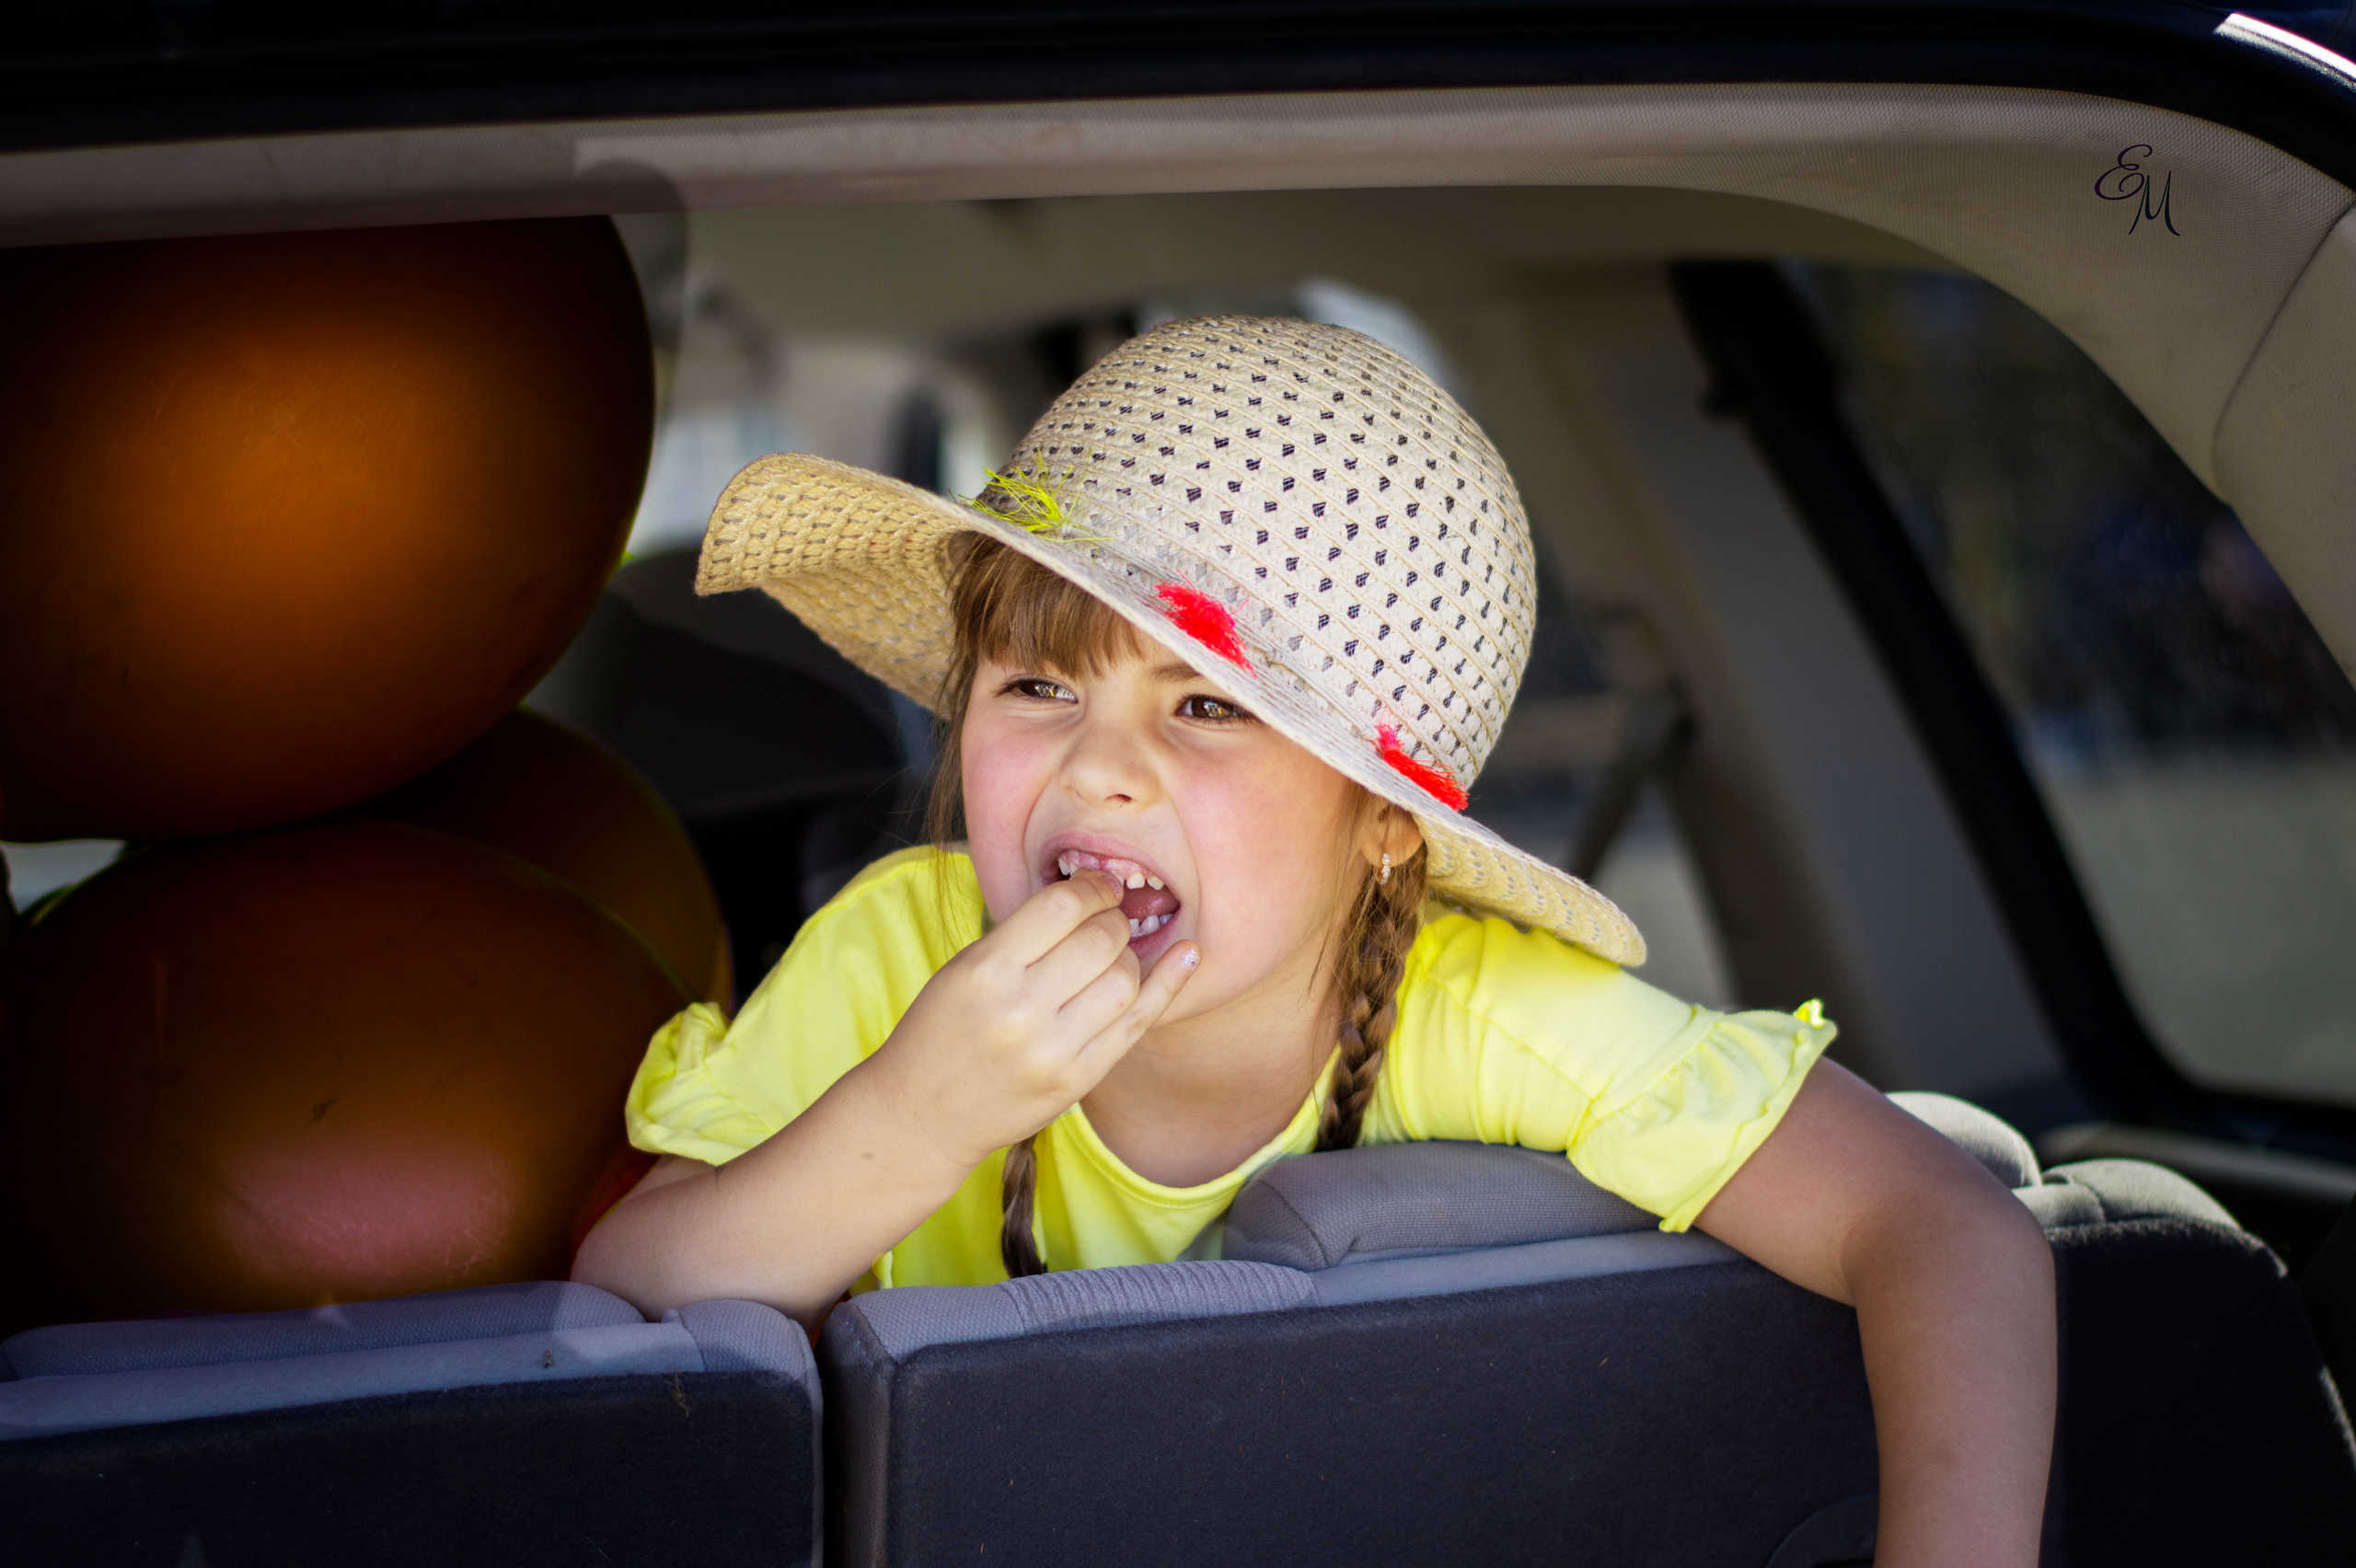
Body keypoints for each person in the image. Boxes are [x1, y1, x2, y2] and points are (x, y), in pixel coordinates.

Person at [574, 317, 2055, 1566]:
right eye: (1035, 688)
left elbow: (1944, 1227)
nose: (1100, 768)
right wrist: (920, 1110)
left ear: (1384, 822)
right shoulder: (898, 949)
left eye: (1208, 706)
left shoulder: (1479, 1011)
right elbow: (632, 1281)